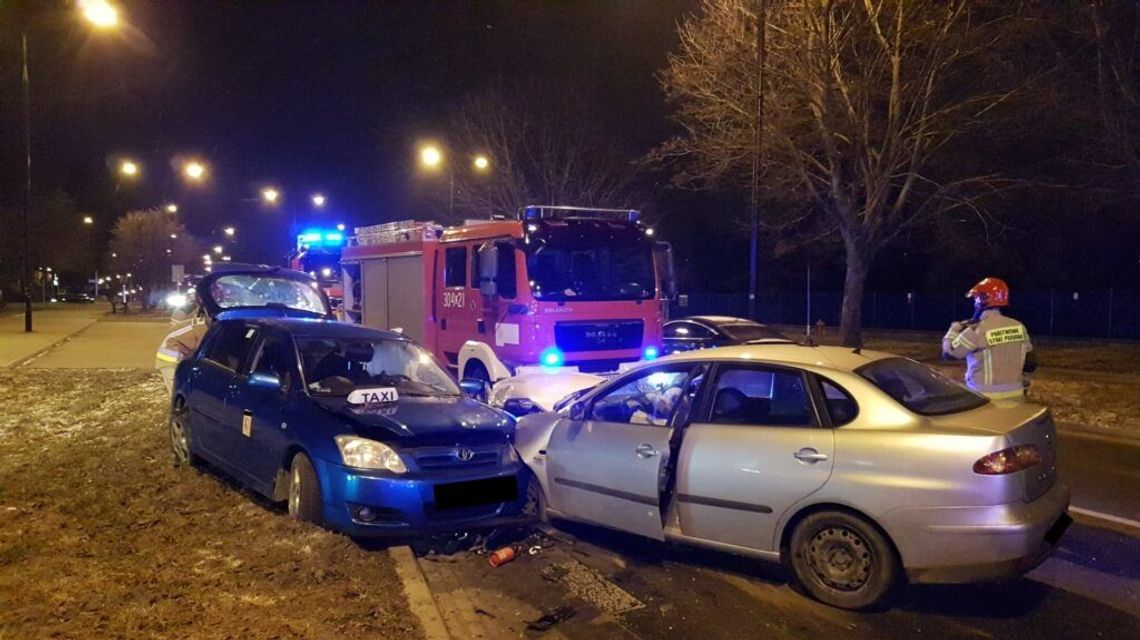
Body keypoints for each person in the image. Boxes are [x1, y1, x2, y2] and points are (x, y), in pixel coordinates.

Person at [942, 277, 1036, 401]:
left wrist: (953, 330)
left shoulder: (977, 329)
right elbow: (1030, 364)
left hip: (984, 396)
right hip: (1016, 393)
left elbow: (949, 354)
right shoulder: (1019, 326)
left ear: (981, 301)